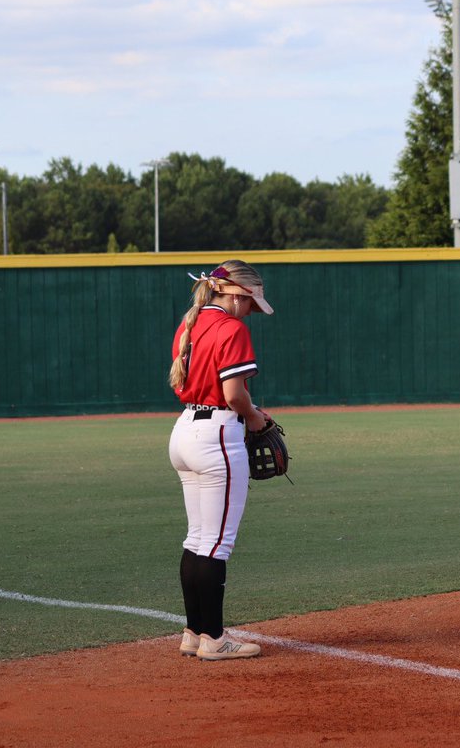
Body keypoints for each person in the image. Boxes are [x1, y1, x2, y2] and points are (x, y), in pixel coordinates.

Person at [167, 260, 274, 661]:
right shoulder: (232, 328)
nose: (251, 311)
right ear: (235, 293)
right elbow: (233, 394)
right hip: (216, 436)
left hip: (183, 433)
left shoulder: (190, 324)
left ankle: (194, 633)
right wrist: (255, 416)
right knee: (216, 543)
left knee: (198, 538)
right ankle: (214, 638)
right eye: (250, 302)